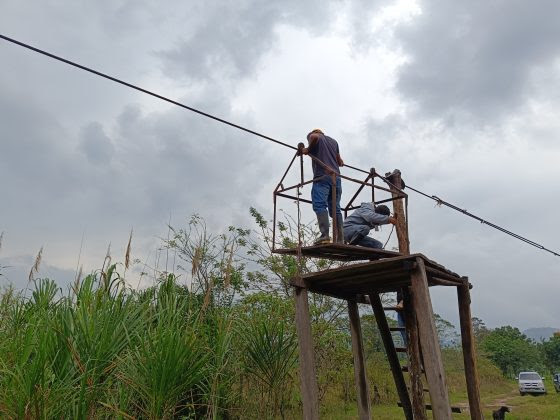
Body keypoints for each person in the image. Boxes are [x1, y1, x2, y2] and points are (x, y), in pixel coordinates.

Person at [301, 129, 344, 244]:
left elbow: (314, 137)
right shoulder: (333, 141)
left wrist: (308, 150)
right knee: (336, 208)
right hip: (336, 177)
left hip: (322, 177)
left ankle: (325, 235)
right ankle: (341, 238)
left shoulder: (313, 135)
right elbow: (340, 162)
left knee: (319, 205)